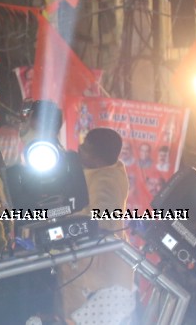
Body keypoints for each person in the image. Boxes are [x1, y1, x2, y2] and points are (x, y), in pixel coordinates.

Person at [60, 128, 133, 324]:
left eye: (85, 148)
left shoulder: (106, 180)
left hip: (95, 276)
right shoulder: (101, 170)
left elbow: (103, 221)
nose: (79, 149)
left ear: (97, 158)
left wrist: (66, 219)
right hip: (87, 270)